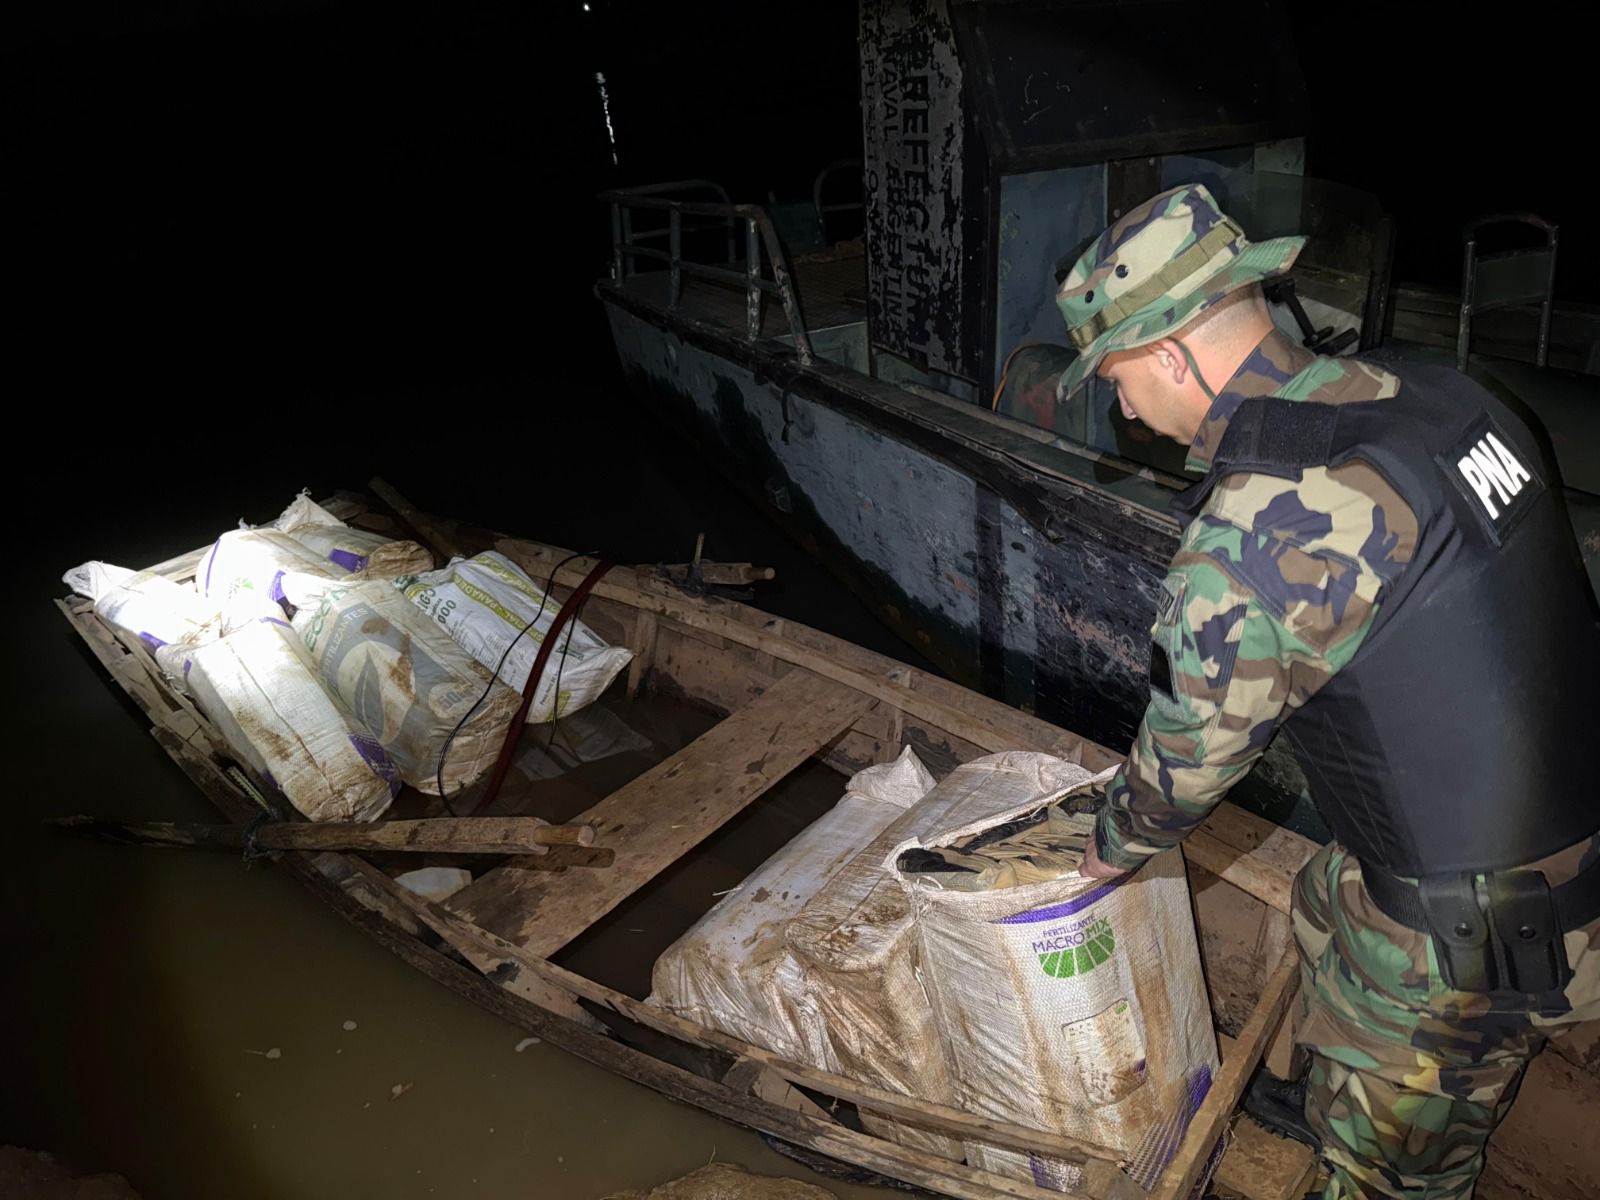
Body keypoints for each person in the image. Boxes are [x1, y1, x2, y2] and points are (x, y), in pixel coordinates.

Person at [1056, 182, 1600, 1198]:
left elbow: (1179, 773)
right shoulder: (1447, 396)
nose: (1123, 408)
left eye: (1120, 380)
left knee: (1388, 1182)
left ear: (1171, 356)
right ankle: (1321, 1088)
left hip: (1472, 940)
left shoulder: (1249, 538)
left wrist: (1093, 857)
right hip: (1563, 833)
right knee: (1321, 895)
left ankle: (1367, 1137)